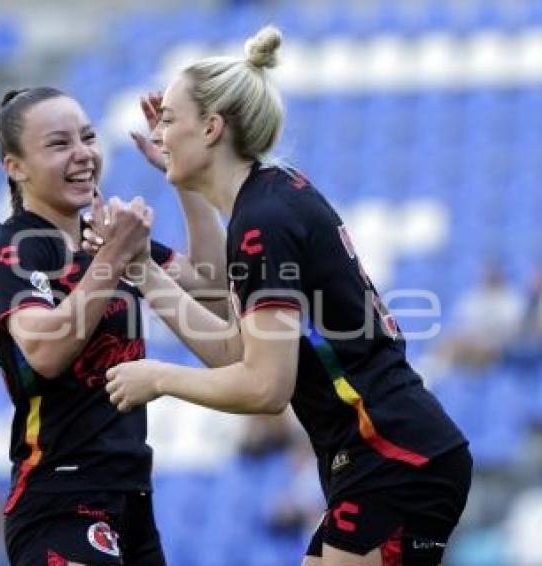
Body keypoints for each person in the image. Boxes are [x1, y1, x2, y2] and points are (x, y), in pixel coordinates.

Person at [89, 26, 472, 566]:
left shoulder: (264, 222)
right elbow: (230, 327)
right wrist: (146, 263)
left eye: (169, 120)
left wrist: (159, 377)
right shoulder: (270, 199)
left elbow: (264, 387)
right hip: (384, 453)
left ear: (213, 127)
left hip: (390, 454)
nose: (159, 134)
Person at [0, 87, 227, 565]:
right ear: (16, 167)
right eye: (58, 144)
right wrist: (114, 257)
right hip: (60, 495)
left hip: (130, 492)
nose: (83, 154)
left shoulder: (108, 236)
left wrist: (186, 178)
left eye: (88, 137)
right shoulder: (15, 246)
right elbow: (46, 353)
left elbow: (213, 287)